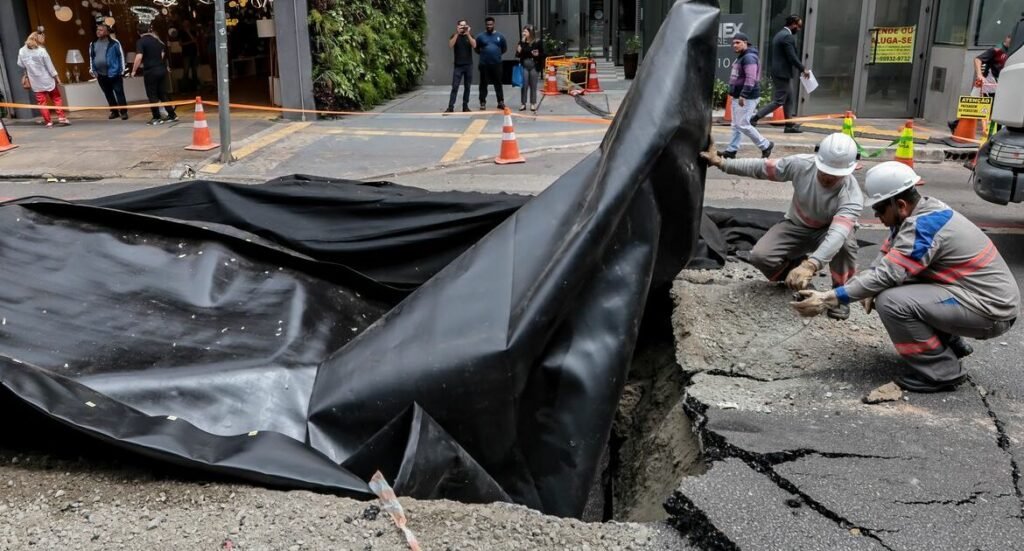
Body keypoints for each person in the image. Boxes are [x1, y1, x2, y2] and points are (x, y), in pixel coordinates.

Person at [792, 162, 1019, 393]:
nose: (878, 216)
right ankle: (950, 345)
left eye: (880, 210)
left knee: (892, 301)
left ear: (899, 204)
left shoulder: (924, 226)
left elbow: (887, 275)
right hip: (974, 298)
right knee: (891, 286)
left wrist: (828, 299)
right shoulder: (916, 214)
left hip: (992, 311)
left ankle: (942, 372)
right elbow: (883, 262)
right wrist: (861, 287)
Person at [701, 133, 862, 319]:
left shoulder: (851, 195)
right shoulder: (801, 165)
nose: (828, 178)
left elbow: (837, 234)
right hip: (797, 225)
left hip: (828, 231)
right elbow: (762, 168)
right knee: (760, 256)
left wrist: (811, 265)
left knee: (846, 244)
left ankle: (839, 295)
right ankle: (794, 277)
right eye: (825, 171)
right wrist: (721, 163)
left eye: (835, 175)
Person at [751, 15, 809, 133]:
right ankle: (755, 118)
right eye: (798, 26)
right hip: (782, 73)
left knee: (789, 99)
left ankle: (789, 125)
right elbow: (792, 57)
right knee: (779, 100)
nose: (799, 29)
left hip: (780, 72)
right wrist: (803, 69)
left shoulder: (780, 34)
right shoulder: (787, 36)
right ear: (793, 24)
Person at [721, 32, 773, 159]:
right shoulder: (742, 56)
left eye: (738, 42)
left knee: (743, 124)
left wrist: (743, 95)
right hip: (738, 96)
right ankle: (731, 150)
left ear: (745, 42)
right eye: (733, 43)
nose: (735, 45)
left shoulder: (748, 57)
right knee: (736, 125)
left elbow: (751, 78)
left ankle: (765, 145)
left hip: (746, 97)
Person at [17, 31, 70, 128]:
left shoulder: (21, 51)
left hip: (35, 81)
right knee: (56, 98)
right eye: (43, 38)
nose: (44, 40)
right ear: (38, 39)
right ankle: (61, 117)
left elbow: (20, 64)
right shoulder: (41, 51)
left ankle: (48, 122)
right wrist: (57, 78)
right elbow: (50, 67)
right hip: (47, 79)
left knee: (42, 102)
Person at [132, 25, 177, 125]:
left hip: (151, 71)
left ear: (138, 32)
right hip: (161, 69)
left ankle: (156, 117)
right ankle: (172, 114)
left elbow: (139, 57)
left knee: (152, 94)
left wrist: (134, 70)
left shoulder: (141, 41)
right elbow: (162, 55)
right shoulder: (157, 40)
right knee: (162, 93)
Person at [89, 24, 128, 121]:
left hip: (114, 73)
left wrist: (122, 70)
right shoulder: (93, 43)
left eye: (101, 30)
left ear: (107, 32)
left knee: (119, 93)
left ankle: (124, 112)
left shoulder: (114, 43)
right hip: (101, 74)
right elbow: (91, 57)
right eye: (97, 29)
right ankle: (114, 112)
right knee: (108, 93)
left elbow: (121, 56)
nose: (98, 31)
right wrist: (93, 70)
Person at [475, 17, 507, 111]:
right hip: (484, 64)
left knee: (498, 83)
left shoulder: (500, 36)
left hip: (497, 64)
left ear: (494, 24)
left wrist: (495, 54)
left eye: (491, 24)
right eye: (487, 24)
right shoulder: (480, 37)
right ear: (485, 25)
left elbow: (504, 49)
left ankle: (500, 102)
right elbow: (476, 49)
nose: (489, 26)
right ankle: (482, 102)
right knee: (483, 84)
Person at [446, 19, 476, 113]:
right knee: (455, 86)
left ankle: (465, 106)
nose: (463, 28)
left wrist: (467, 33)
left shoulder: (469, 35)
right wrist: (457, 34)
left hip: (468, 65)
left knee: (467, 86)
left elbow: (474, 45)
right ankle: (451, 106)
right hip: (458, 65)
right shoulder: (455, 35)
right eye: (461, 26)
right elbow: (450, 45)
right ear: (457, 26)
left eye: (464, 26)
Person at [516, 25, 544, 112]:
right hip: (524, 65)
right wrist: (520, 47)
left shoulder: (537, 42)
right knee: (524, 85)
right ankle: (523, 103)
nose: (523, 33)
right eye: (523, 31)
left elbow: (543, 54)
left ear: (530, 33)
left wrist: (537, 54)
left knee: (533, 85)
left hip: (534, 66)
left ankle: (533, 103)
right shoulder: (522, 42)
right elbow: (517, 54)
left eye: (525, 32)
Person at [179, 20, 200, 91]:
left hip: (193, 53)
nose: (186, 25)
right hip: (186, 54)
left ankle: (195, 87)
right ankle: (185, 88)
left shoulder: (193, 32)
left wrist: (197, 52)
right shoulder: (181, 33)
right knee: (186, 70)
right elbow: (181, 44)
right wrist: (191, 42)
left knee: (194, 70)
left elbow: (196, 41)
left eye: (187, 24)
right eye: (185, 24)